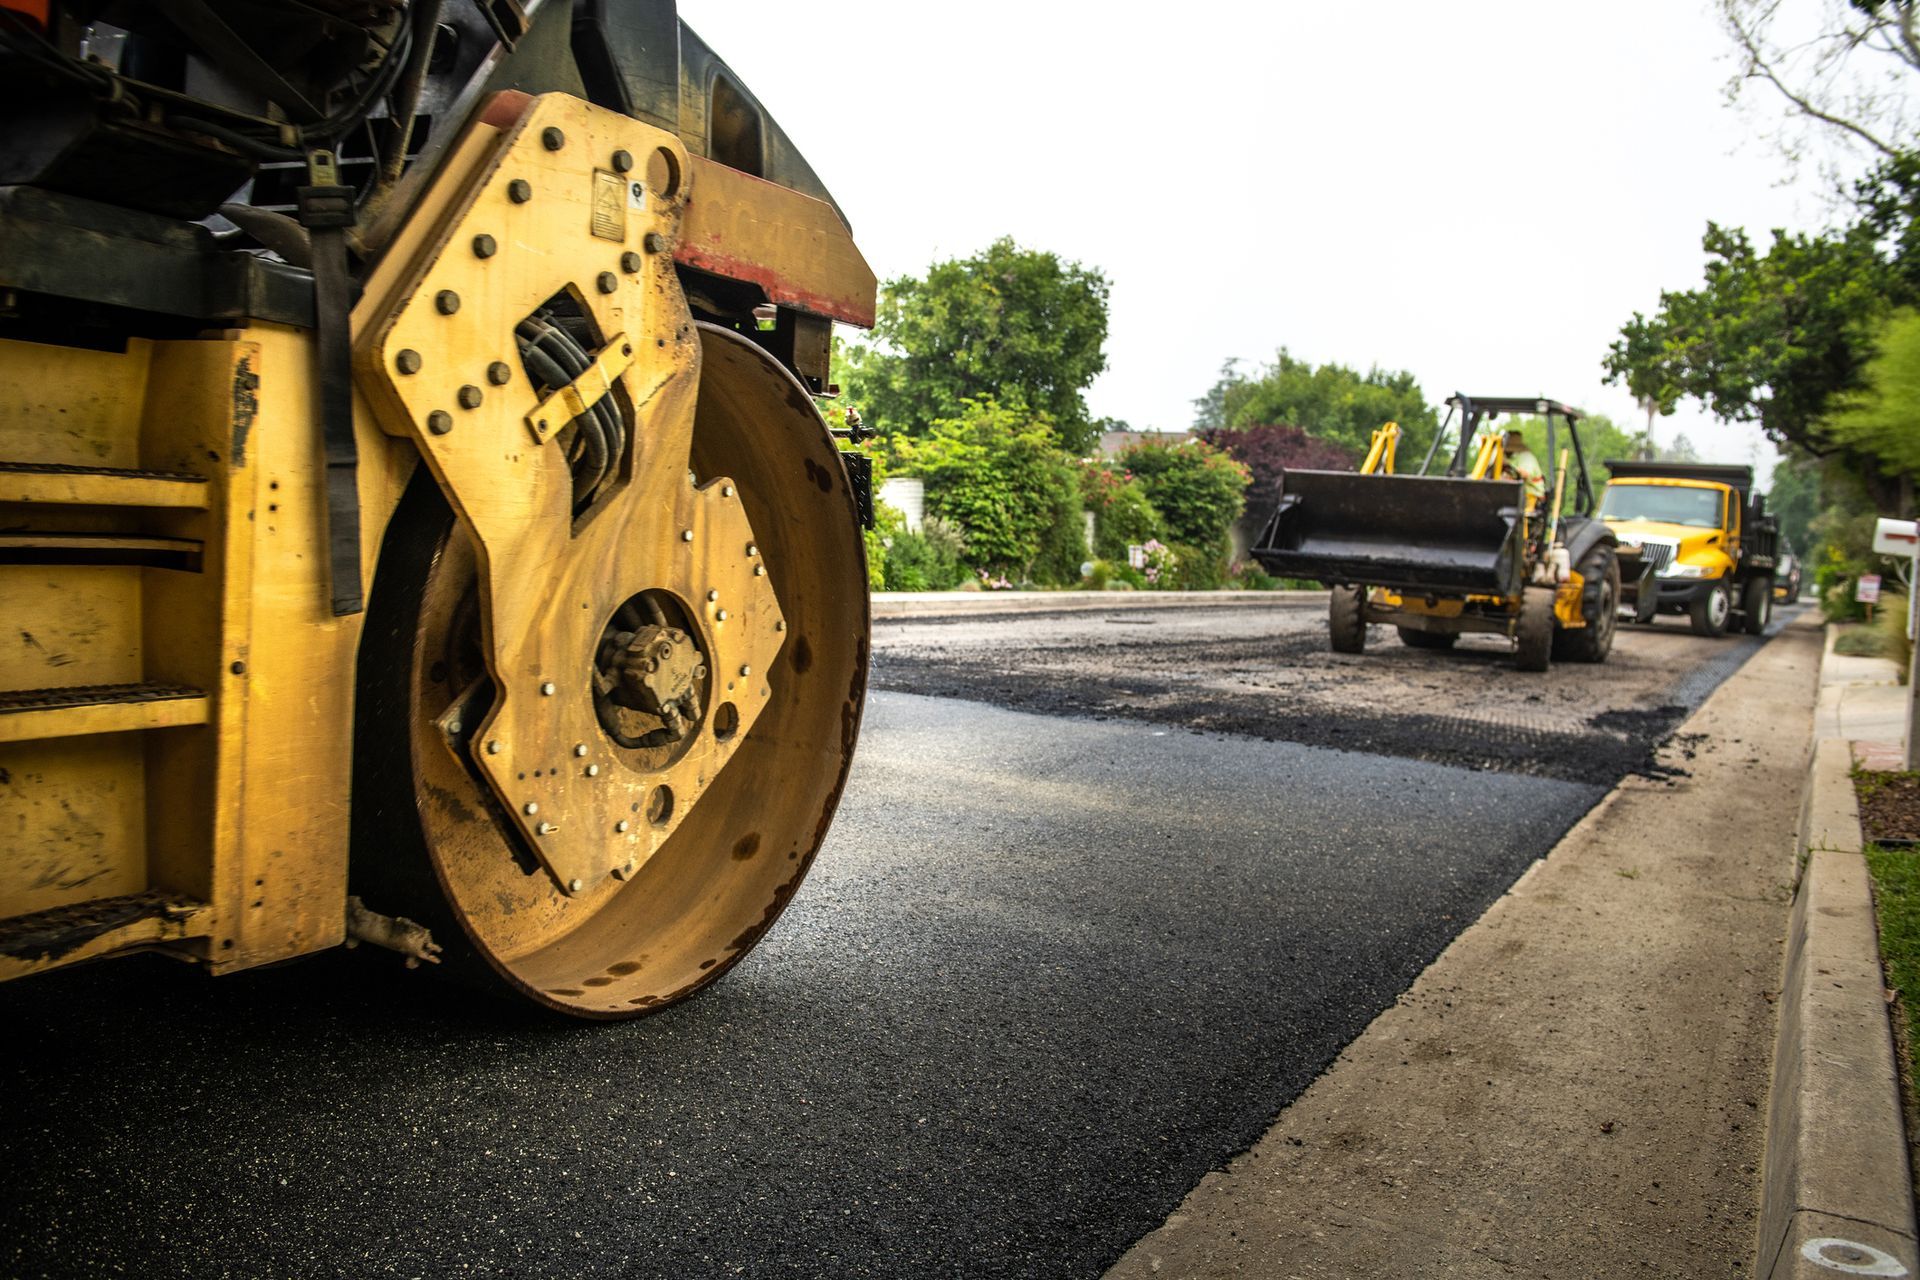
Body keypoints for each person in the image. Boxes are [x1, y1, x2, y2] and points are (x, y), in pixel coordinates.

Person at [1501, 429, 1546, 506]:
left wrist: (1510, 468)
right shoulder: (1509, 458)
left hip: (1531, 497)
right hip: (1516, 496)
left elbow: (1525, 475)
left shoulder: (1527, 457)